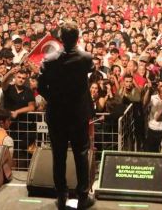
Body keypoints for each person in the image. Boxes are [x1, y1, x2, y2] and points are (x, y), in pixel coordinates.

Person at [38, 22, 95, 210]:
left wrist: (53, 99)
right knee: (81, 154)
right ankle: (83, 197)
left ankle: (61, 197)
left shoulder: (49, 60)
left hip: (57, 115)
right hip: (78, 114)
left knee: (59, 156)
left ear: (60, 39)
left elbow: (40, 87)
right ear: (78, 38)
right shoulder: (86, 58)